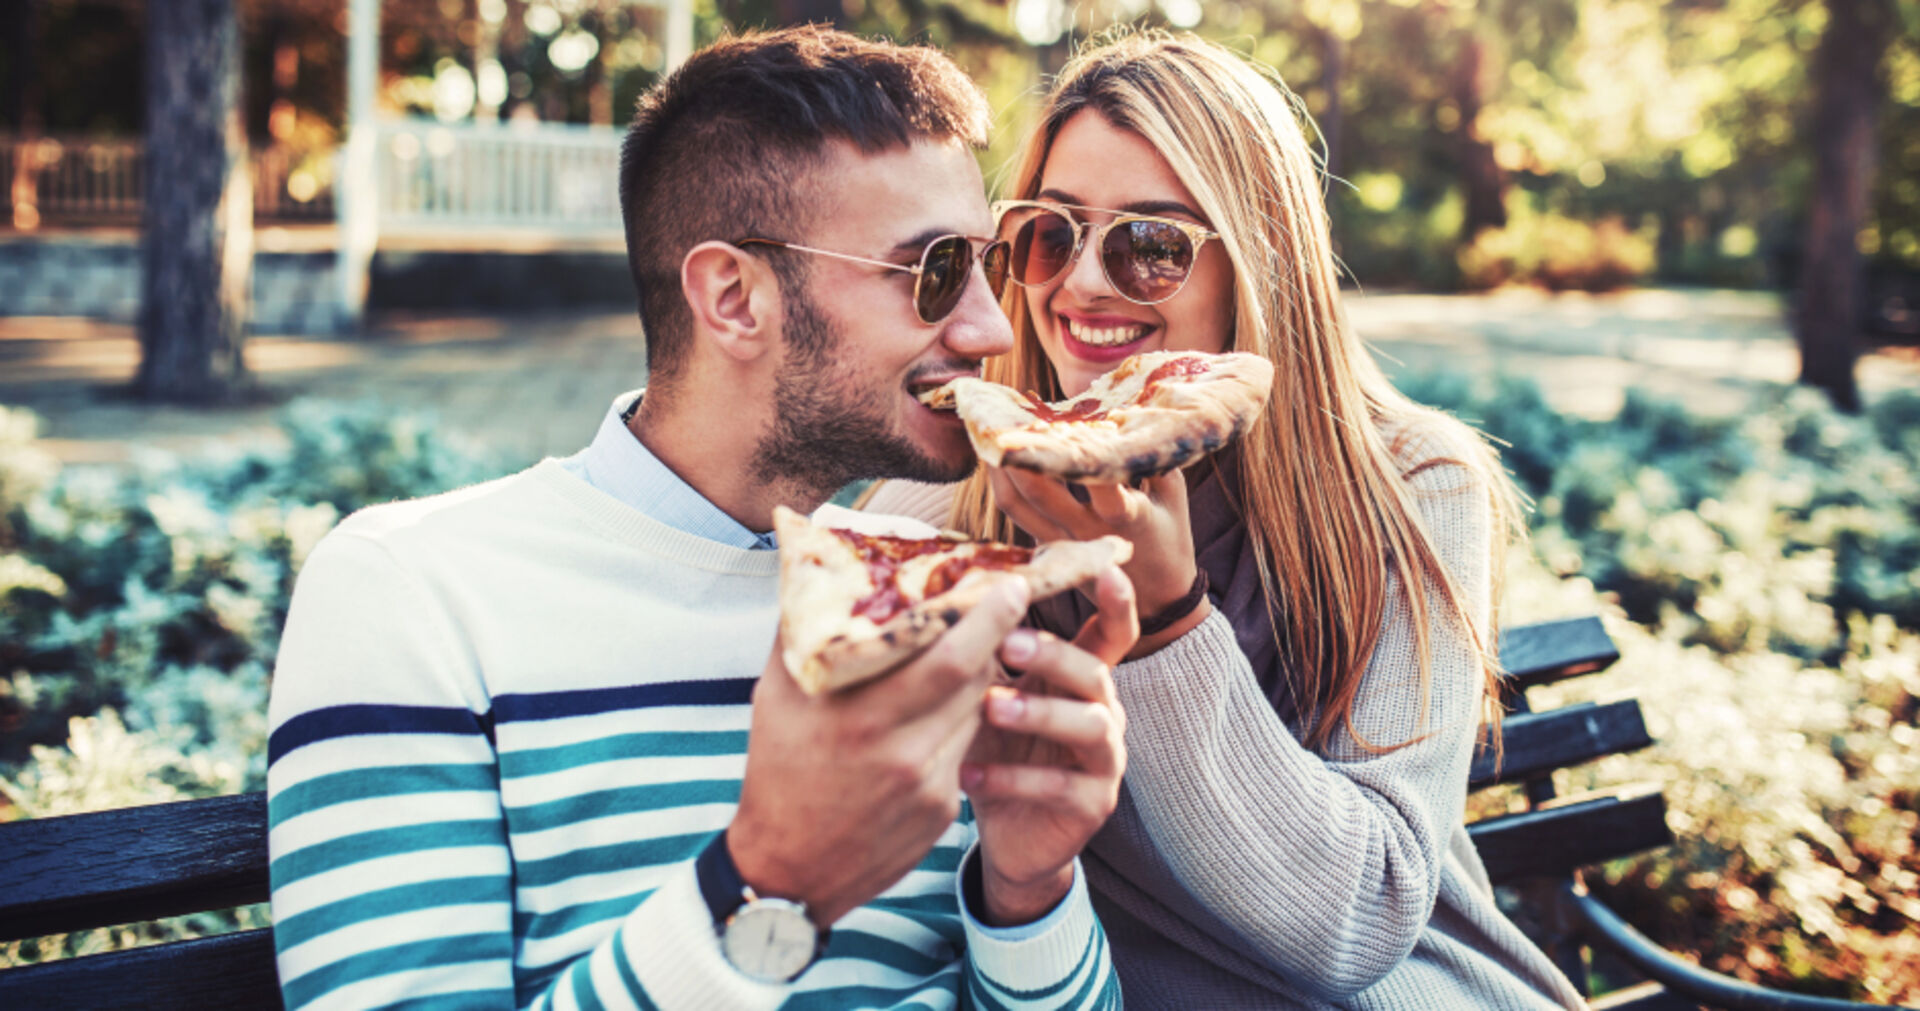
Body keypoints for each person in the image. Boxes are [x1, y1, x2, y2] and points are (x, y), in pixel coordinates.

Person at [265, 27, 1135, 1010]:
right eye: (936, 271)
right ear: (734, 298)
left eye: (991, 263)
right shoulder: (414, 592)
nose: (991, 328)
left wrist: (1025, 892)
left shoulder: (944, 592)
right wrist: (769, 885)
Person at [863, 30, 1587, 1009]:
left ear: (1263, 261)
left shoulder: (1411, 491)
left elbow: (1359, 926)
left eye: (1153, 245)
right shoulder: (941, 509)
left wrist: (1166, 622)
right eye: (1050, 231)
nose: (1081, 285)